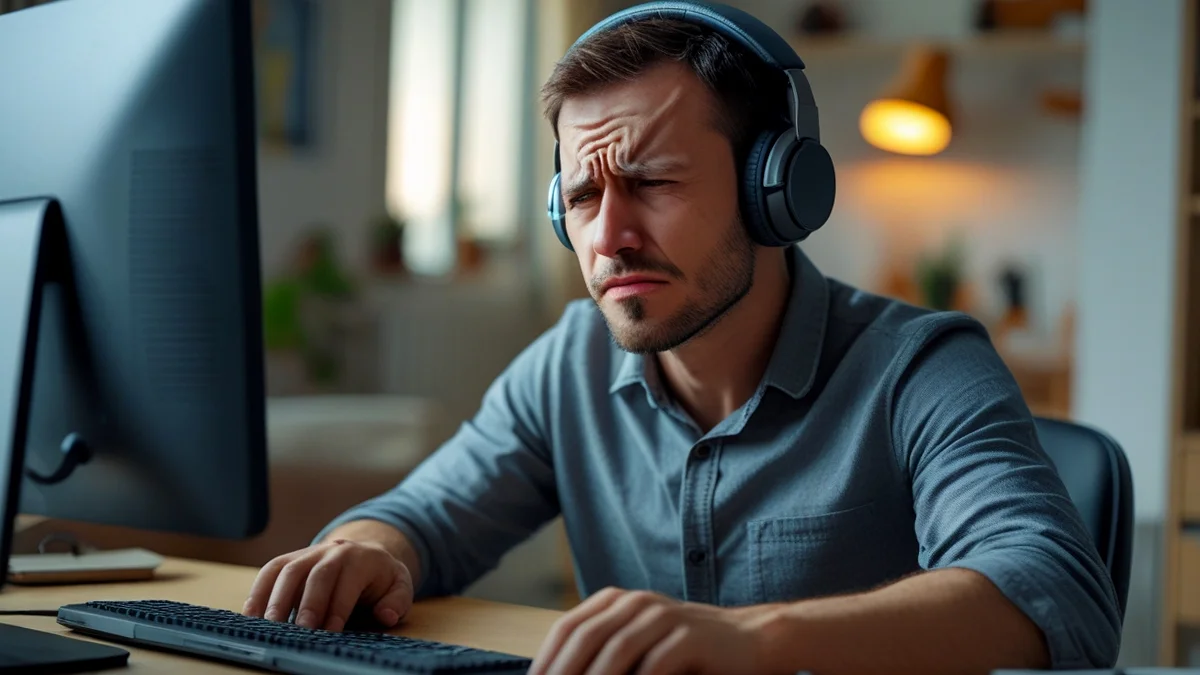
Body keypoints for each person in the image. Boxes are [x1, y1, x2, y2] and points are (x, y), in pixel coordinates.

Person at [243, 3, 1122, 673]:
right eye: (582, 198)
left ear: (774, 191)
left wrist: (756, 639)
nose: (609, 235)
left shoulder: (921, 364)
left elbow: (1054, 589)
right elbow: (424, 518)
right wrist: (365, 554)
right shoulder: (568, 362)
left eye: (654, 181)